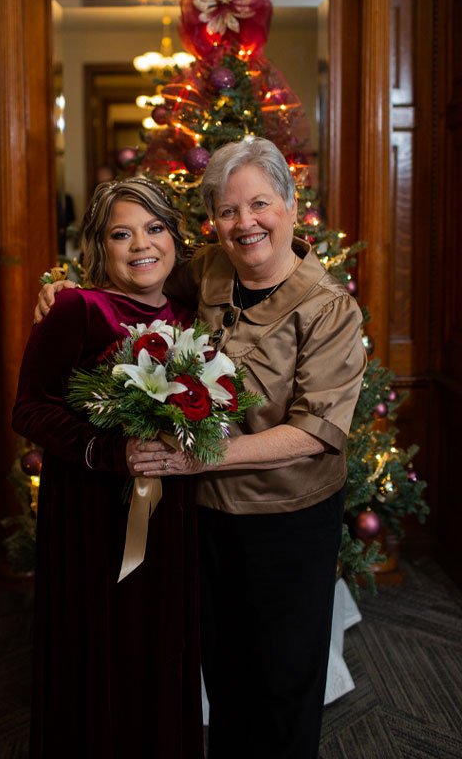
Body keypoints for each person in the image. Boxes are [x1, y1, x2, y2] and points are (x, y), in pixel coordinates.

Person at [37, 138, 366, 759]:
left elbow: (316, 431)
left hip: (286, 521)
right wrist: (61, 289)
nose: (246, 224)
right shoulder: (211, 268)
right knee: (222, 671)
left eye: (260, 205)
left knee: (283, 682)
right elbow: (136, 276)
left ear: (292, 206)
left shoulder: (329, 309)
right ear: (213, 221)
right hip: (204, 519)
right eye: (227, 211)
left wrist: (201, 458)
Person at [12, 178, 203, 759]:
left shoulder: (191, 310)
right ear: (100, 244)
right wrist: (107, 451)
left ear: (174, 236)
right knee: (100, 646)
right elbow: (29, 408)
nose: (140, 245)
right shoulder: (77, 307)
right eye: (121, 234)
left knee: (162, 642)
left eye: (154, 229)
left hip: (171, 511)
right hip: (92, 515)